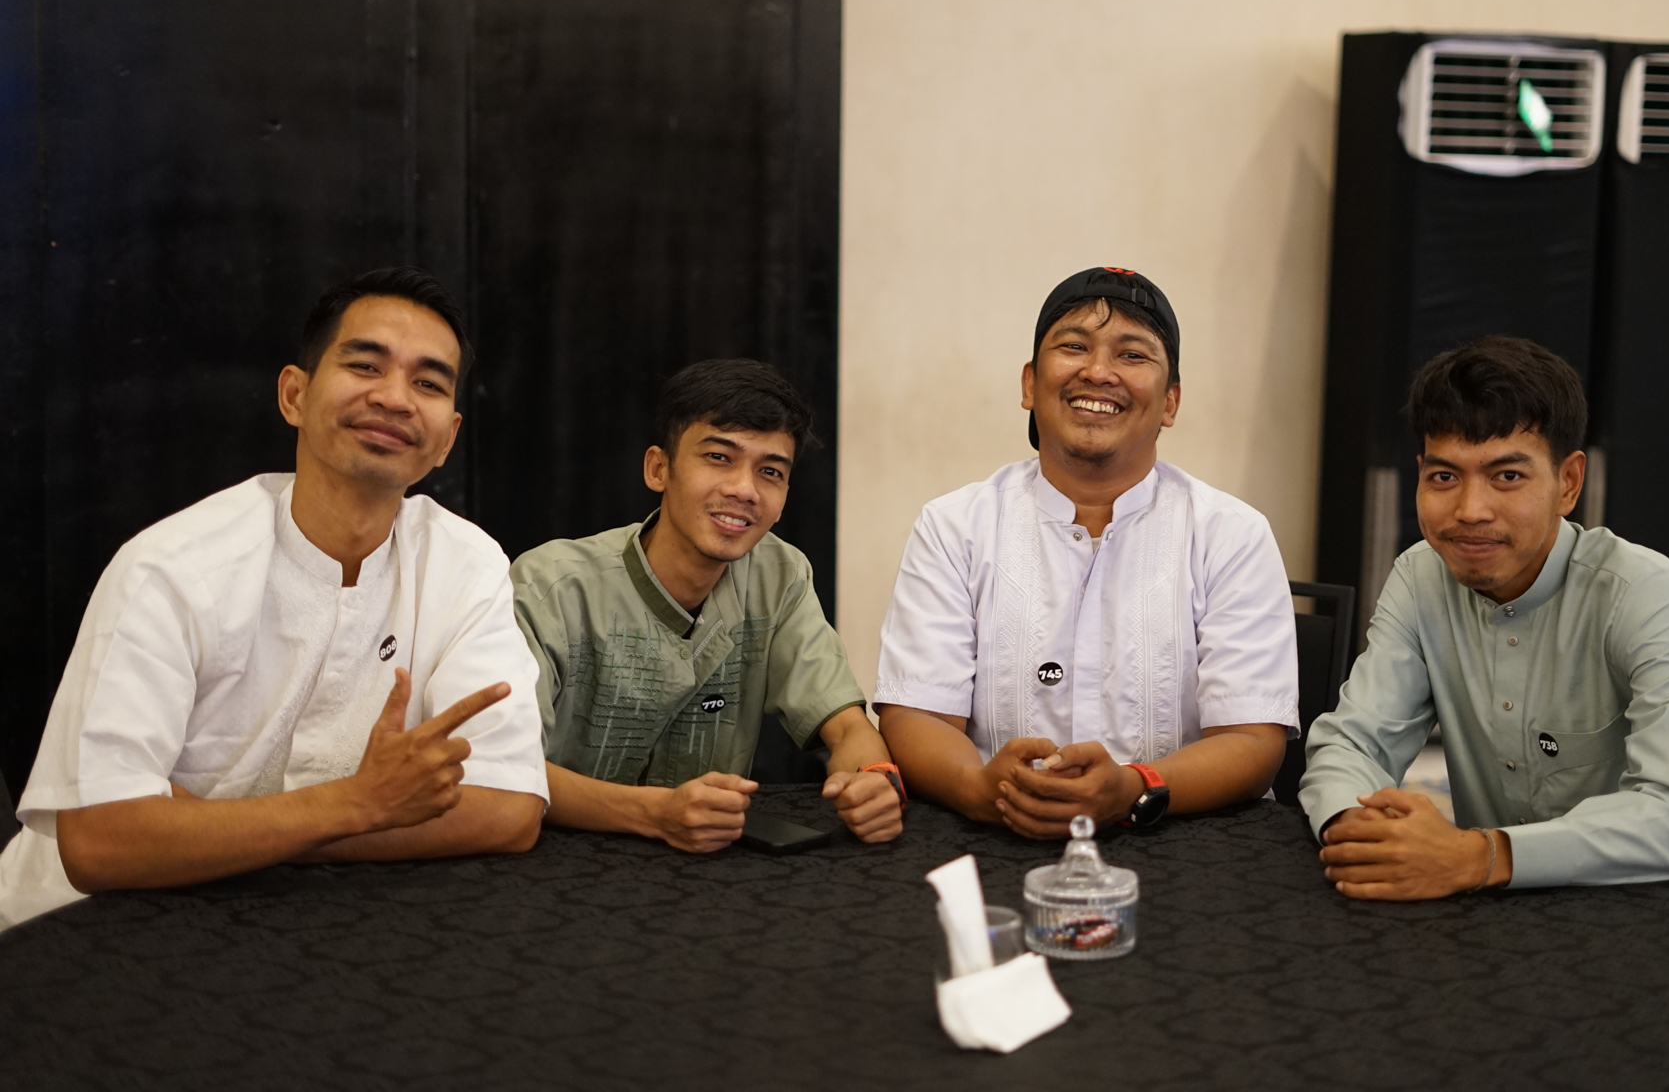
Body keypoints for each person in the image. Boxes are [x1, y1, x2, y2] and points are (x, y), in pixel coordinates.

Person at [0, 268, 549, 933]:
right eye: (365, 365)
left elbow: (508, 807)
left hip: (304, 919)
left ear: (448, 437)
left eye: (428, 383)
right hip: (76, 928)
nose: (395, 398)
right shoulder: (172, 567)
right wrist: (358, 805)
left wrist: (216, 827)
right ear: (295, 395)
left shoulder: (466, 563)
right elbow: (100, 842)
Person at [1301, 336, 1669, 928]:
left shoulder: (1645, 592)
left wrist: (1479, 855)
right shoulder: (1421, 575)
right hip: (1537, 915)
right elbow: (1352, 743)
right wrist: (1357, 827)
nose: (1470, 509)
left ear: (1569, 483)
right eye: (1445, 475)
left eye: (1507, 475)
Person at [873, 267, 1299, 837]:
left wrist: (1133, 788)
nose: (1098, 372)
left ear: (1170, 402)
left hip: (1183, 845)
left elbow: (1252, 741)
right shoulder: (954, 526)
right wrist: (980, 790)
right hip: (996, 838)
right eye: (1074, 347)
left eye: (1132, 355)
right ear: (1030, 384)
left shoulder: (1231, 534)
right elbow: (917, 715)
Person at [512, 359, 902, 852]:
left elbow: (847, 727)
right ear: (659, 468)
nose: (744, 489)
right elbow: (507, 766)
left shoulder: (779, 576)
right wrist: (655, 814)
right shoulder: (551, 586)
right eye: (719, 457)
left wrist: (875, 779)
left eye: (770, 472)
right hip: (552, 861)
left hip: (704, 869)